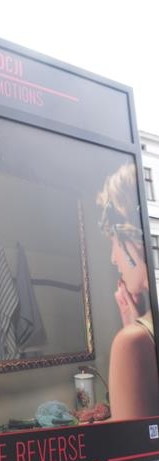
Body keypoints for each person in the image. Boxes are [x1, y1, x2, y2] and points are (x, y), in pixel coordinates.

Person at [98, 162, 159, 419]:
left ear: (132, 241)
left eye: (112, 242)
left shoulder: (132, 343)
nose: (113, 259)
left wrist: (135, 336)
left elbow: (135, 445)